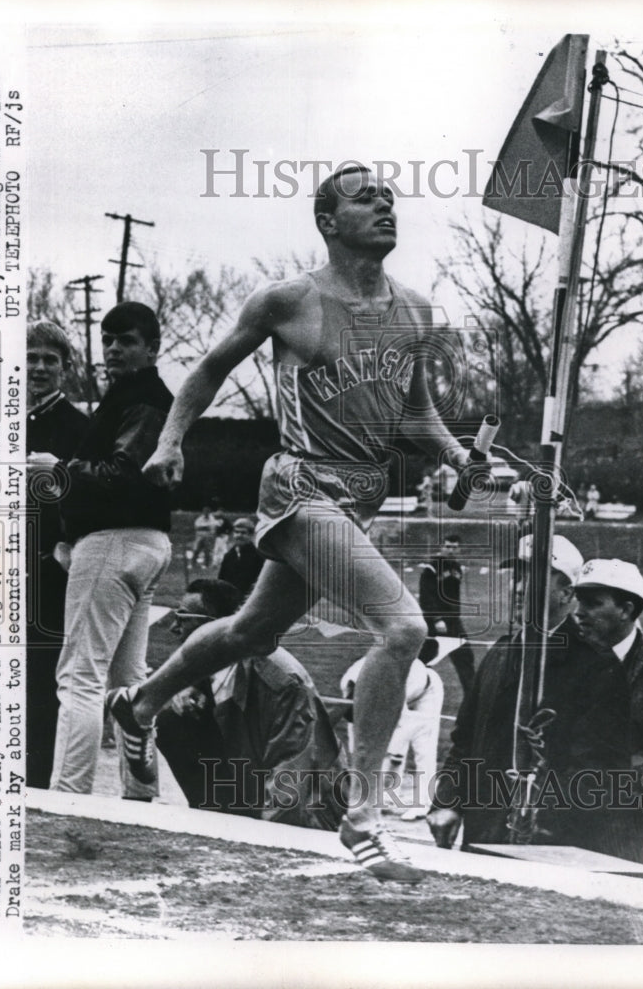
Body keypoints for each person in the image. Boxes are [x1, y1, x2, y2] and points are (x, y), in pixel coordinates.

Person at [107, 164, 469, 883]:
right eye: (366, 199)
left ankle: (137, 704)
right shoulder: (288, 300)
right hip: (299, 487)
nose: (385, 206)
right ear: (327, 222)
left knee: (251, 632)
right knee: (401, 628)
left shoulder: (416, 312)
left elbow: (412, 412)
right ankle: (362, 815)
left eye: (390, 198)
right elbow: (208, 370)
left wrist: (460, 458)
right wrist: (170, 439)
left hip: (354, 498)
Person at [36, 302, 174, 796]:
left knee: (79, 677)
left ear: (153, 348)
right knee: (128, 681)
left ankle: (68, 799)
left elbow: (123, 476)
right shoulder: (137, 396)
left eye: (127, 341)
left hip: (115, 543)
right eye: (108, 340)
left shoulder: (141, 396)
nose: (113, 349)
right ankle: (139, 798)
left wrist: (59, 468)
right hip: (149, 545)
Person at [427, 535, 631, 854]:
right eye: (517, 576)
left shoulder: (596, 665)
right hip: (481, 833)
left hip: (550, 844)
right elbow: (464, 740)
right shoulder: (500, 654)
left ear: (567, 593)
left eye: (533, 578)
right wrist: (448, 802)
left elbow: (600, 767)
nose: (519, 588)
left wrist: (542, 815)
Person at [155, 579, 347, 830]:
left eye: (183, 617)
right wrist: (189, 683)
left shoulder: (279, 683)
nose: (173, 627)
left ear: (214, 627)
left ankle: (237, 825)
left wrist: (267, 836)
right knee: (173, 722)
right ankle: (213, 819)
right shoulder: (217, 659)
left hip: (308, 808)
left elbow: (292, 768)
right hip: (255, 776)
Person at [574, 559, 643, 869]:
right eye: (579, 602)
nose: (579, 612)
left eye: (592, 603)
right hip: (570, 824)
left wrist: (605, 780)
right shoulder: (565, 662)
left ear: (626, 610)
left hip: (637, 831)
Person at [25, 322, 89, 787]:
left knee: (43, 686)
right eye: (31, 356)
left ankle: (34, 792)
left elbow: (91, 497)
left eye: (50, 359)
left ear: (66, 369)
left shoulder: (79, 428)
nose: (39, 366)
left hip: (49, 574)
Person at [341, 657, 444, 821]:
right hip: (400, 689)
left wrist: (391, 753)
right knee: (384, 750)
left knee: (423, 748)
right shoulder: (348, 681)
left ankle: (425, 803)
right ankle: (387, 797)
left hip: (426, 690)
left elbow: (397, 728)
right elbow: (357, 743)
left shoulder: (387, 684)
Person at [417, 534, 476, 696]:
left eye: (454, 547)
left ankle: (473, 702)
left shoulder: (456, 567)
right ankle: (408, 692)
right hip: (435, 624)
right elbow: (426, 596)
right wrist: (437, 619)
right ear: (442, 547)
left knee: (465, 659)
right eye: (448, 547)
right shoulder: (432, 568)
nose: (451, 550)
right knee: (423, 661)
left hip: (453, 622)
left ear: (459, 549)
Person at [217, 517, 265, 596]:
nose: (239, 535)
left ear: (250, 535)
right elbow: (221, 580)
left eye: (243, 533)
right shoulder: (229, 556)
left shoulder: (258, 556)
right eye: (236, 532)